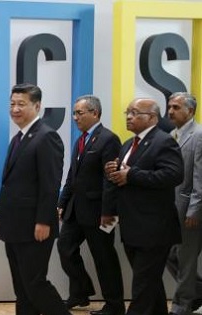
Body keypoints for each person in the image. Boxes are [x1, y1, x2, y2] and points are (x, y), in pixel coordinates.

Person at [0, 83, 69, 315]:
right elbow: (10, 183)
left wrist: (44, 220)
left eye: (21, 104)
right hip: (14, 224)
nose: (15, 109)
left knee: (35, 284)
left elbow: (50, 184)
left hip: (34, 226)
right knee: (22, 287)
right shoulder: (19, 138)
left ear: (37, 106)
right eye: (12, 104)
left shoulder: (47, 137)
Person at [105, 98, 183, 315]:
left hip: (154, 227)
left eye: (135, 113)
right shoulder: (128, 145)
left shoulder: (164, 141)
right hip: (132, 226)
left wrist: (132, 174)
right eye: (127, 112)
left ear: (152, 118)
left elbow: (173, 175)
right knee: (150, 284)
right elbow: (124, 177)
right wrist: (113, 171)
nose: (129, 117)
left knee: (142, 285)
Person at [56, 95, 124, 315]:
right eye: (74, 113)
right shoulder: (80, 140)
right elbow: (72, 176)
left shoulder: (109, 139)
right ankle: (81, 292)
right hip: (75, 210)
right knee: (65, 248)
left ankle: (114, 305)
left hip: (99, 213)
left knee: (104, 258)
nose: (75, 117)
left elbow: (110, 180)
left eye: (80, 113)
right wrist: (62, 202)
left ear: (95, 113)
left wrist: (108, 212)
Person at [164, 92, 202, 315]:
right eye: (169, 106)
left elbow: (200, 176)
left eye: (176, 107)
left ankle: (181, 304)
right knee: (170, 255)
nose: (170, 111)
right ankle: (196, 291)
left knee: (186, 258)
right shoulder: (172, 134)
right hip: (173, 209)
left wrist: (195, 210)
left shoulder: (198, 136)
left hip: (190, 209)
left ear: (191, 111)